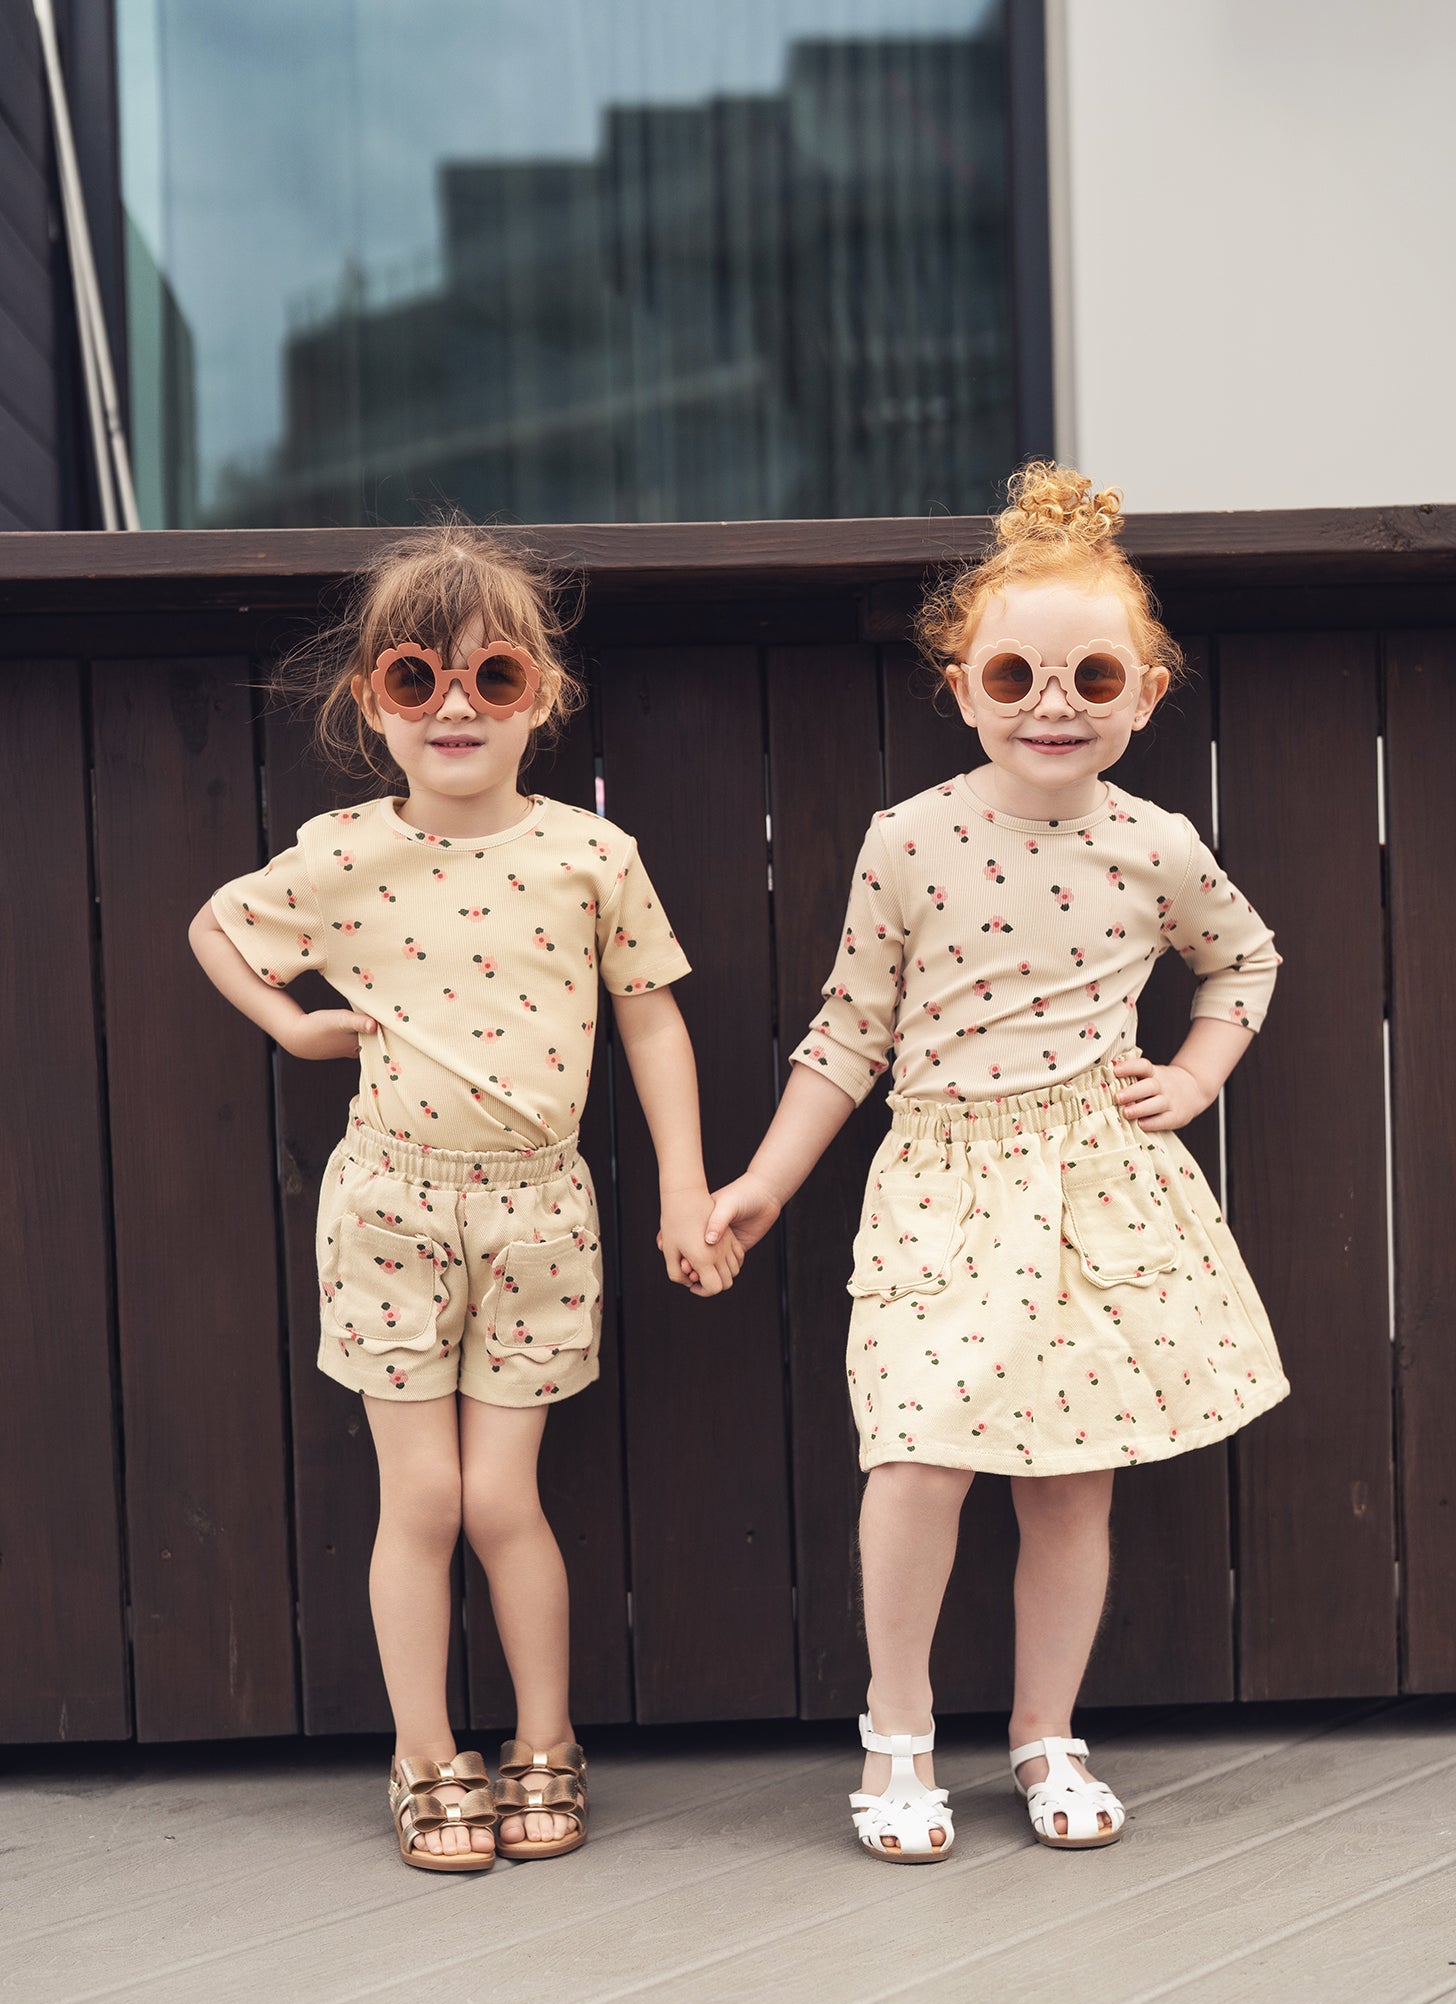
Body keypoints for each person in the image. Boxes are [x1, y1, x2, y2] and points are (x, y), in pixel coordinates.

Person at [706, 463, 1288, 1862]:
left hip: (1094, 1187)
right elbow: (848, 1034)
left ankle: (1045, 1730)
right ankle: (896, 1730)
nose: (1054, 703)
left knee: (1070, 1475)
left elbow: (1245, 961)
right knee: (914, 1454)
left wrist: (1196, 1075)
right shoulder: (909, 841)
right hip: (945, 1190)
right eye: (1017, 672)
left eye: (1094, 675)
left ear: (1146, 693)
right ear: (963, 684)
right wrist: (763, 1184)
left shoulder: (1157, 845)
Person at [190, 520, 740, 1872]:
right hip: (389, 1204)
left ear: (536, 698)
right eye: (414, 679)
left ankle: (545, 1741)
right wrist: (295, 1027)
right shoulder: (338, 856)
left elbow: (653, 1021)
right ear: (370, 699)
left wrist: (685, 1187)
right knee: (420, 1499)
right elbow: (215, 925)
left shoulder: (588, 857)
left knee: (505, 1500)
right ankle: (425, 1751)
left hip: (540, 1211)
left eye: (489, 679)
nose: (452, 709)